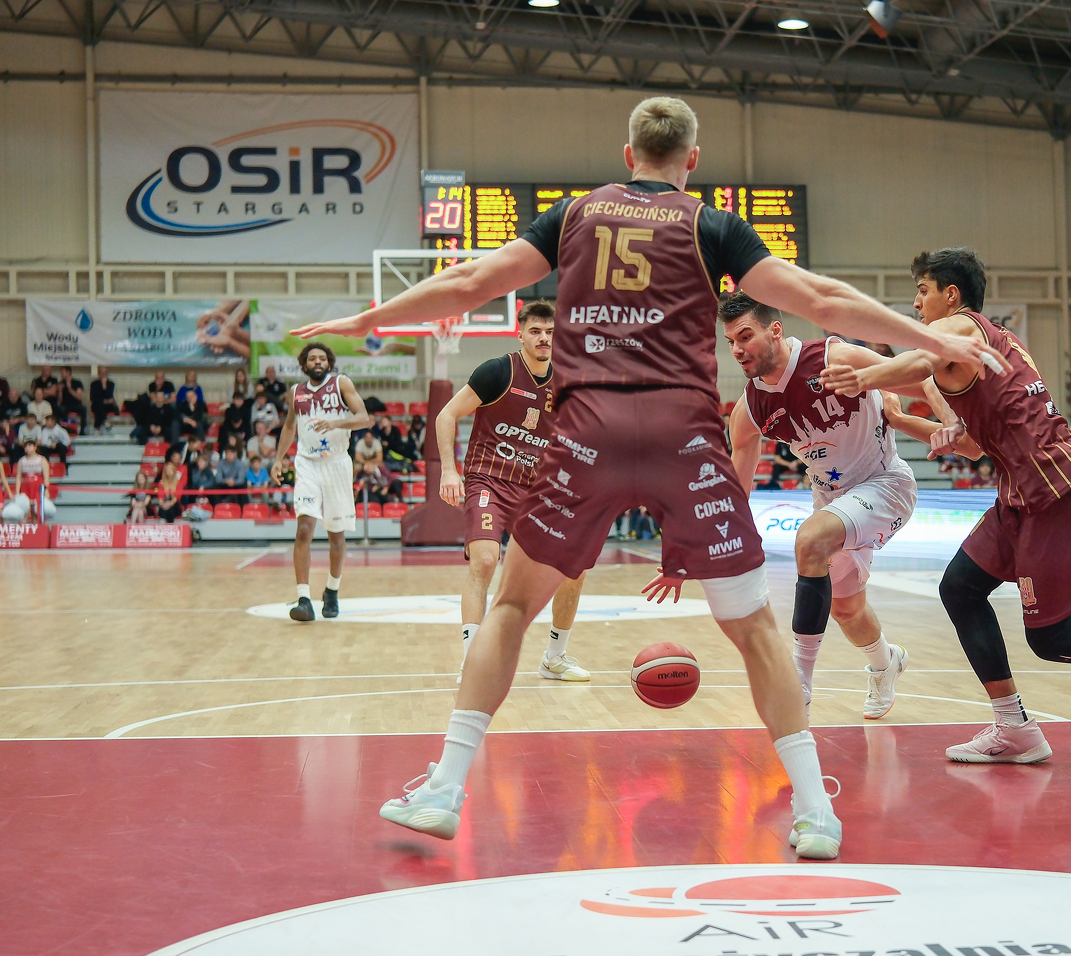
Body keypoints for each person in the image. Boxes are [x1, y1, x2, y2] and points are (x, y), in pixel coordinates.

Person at [293, 97, 1001, 858]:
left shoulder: (574, 215)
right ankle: (812, 811)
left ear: (628, 154)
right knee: (753, 628)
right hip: (683, 441)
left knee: (511, 608)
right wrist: (929, 338)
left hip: (588, 436)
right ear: (692, 160)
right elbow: (824, 298)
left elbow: (472, 279)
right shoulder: (711, 224)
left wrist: (367, 321)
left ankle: (444, 788)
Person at [819, 246, 1071, 768]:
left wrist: (862, 378)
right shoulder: (982, 346)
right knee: (960, 588)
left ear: (952, 294)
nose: (916, 303)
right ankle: (1013, 726)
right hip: (1020, 494)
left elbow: (919, 362)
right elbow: (969, 441)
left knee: (1052, 636)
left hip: (1056, 494)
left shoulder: (962, 329)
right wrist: (907, 420)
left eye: (922, 291)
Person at [720, 292, 920, 722]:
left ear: (775, 330)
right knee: (847, 609)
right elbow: (739, 482)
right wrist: (716, 541)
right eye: (730, 341)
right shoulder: (751, 407)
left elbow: (917, 375)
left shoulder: (831, 356)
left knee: (809, 540)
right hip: (832, 500)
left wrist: (948, 417)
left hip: (884, 483)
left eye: (745, 336)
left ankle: (799, 683)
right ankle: (886, 663)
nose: (736, 348)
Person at [433, 301, 591, 685]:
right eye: (536, 331)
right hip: (489, 479)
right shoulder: (498, 371)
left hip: (537, 488)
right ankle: (473, 660)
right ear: (520, 334)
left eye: (550, 332)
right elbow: (446, 415)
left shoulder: (567, 383)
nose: (543, 338)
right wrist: (449, 471)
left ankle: (554, 657)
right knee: (485, 561)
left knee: (575, 568)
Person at [270, 343, 372, 622]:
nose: (318, 362)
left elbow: (364, 418)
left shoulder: (341, 384)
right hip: (307, 464)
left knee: (336, 536)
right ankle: (304, 599)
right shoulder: (296, 392)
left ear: (329, 363)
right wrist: (278, 459)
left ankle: (332, 591)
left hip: (337, 464)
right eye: (312, 358)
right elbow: (289, 426)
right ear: (304, 365)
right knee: (304, 528)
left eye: (322, 358)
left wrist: (335, 424)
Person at [2, 440, 55, 523]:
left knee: (36, 513)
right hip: (26, 488)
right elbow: (18, 478)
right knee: (24, 513)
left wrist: (46, 490)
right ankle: (23, 530)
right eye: (26, 446)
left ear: (35, 447)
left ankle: (38, 529)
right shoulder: (21, 461)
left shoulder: (42, 460)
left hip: (38, 488)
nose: (27, 448)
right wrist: (17, 492)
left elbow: (46, 477)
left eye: (30, 446)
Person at [89, 367, 119, 434]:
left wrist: (104, 386)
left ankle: (97, 428)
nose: (103, 375)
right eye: (101, 373)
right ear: (98, 374)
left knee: (100, 408)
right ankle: (105, 422)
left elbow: (109, 395)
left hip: (108, 406)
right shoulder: (94, 384)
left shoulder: (111, 384)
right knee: (99, 406)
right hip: (97, 405)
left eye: (104, 373)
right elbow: (92, 398)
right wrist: (103, 401)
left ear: (107, 374)